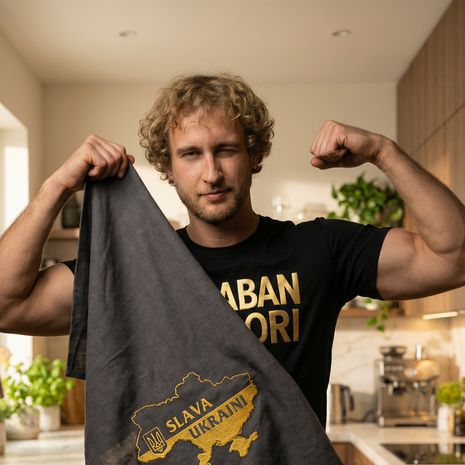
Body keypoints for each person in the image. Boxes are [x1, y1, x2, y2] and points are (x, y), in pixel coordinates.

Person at [0, 74, 464, 426]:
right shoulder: (136, 272)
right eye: (191, 154)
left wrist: (383, 151)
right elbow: (7, 305)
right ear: (167, 167)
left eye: (226, 150)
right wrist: (57, 186)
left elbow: (453, 257)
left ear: (253, 154)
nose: (212, 173)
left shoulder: (320, 249)